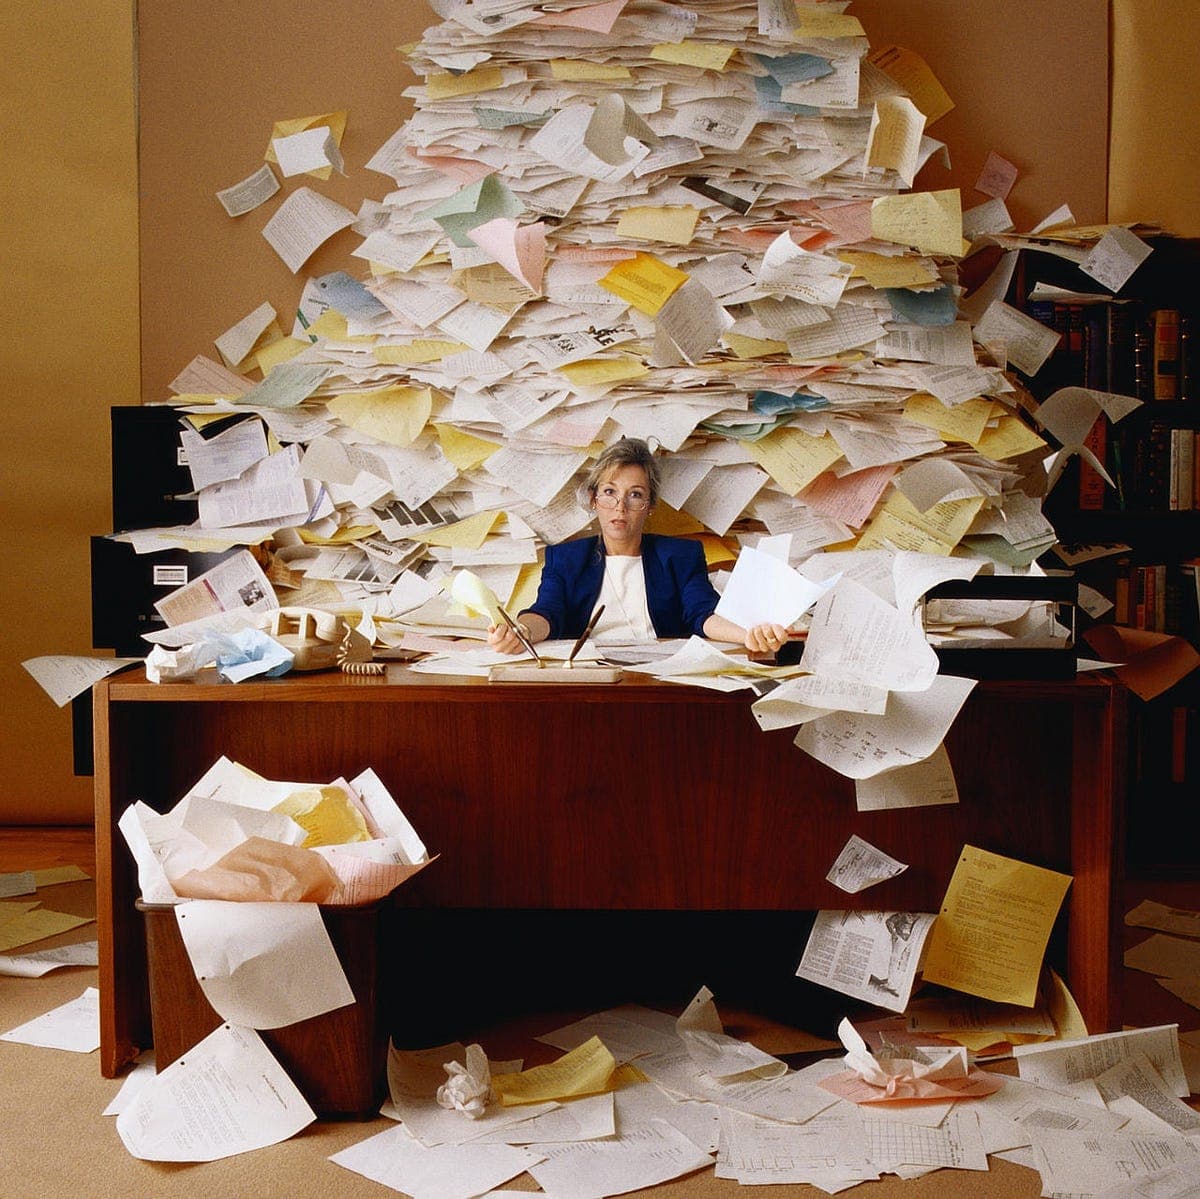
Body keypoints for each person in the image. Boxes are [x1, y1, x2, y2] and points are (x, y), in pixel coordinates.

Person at [487, 438, 790, 654]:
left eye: (634, 495)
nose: (620, 507)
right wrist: (521, 631)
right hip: (591, 680)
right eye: (609, 492)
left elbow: (703, 613)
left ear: (649, 506)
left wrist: (749, 634)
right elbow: (547, 612)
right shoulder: (566, 559)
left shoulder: (680, 557)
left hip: (659, 681)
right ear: (594, 500)